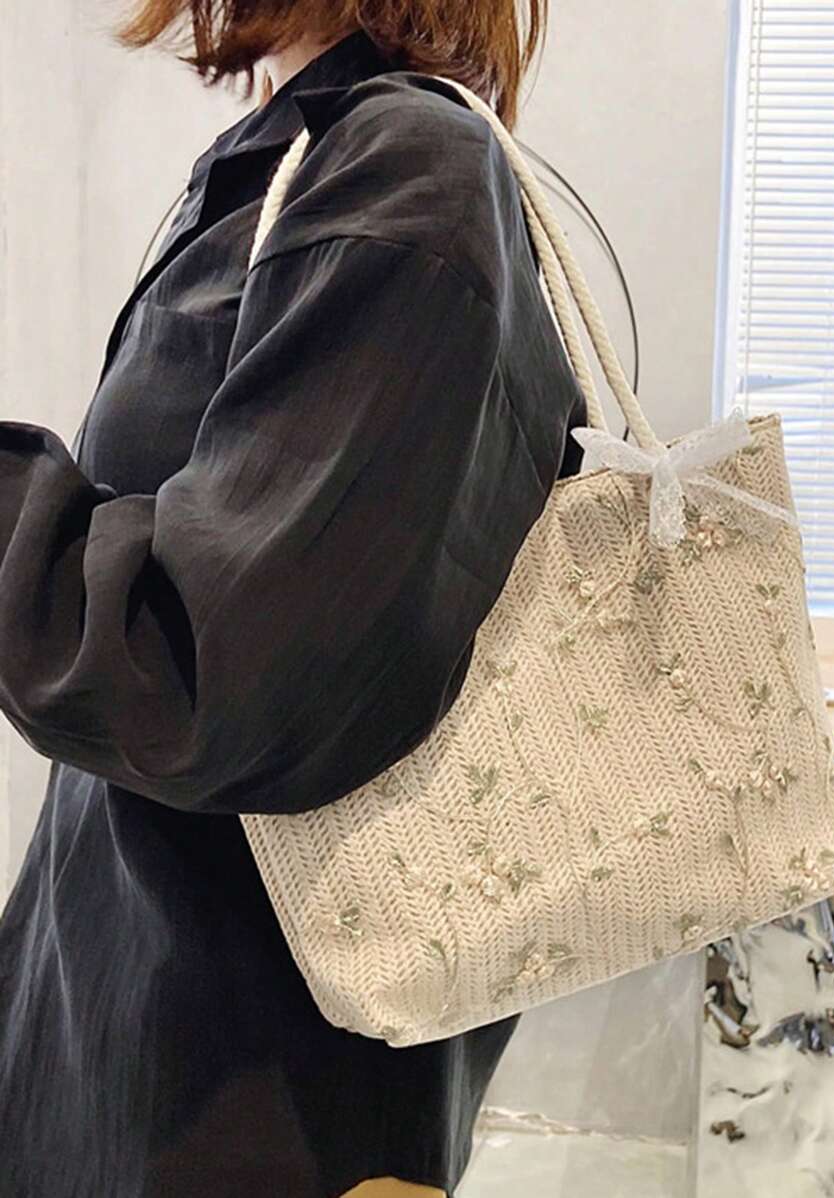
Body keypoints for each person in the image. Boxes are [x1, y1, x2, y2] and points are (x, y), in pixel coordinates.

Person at [0, 3, 588, 1196]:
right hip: (136, 1030)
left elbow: (202, 672)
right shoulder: (305, 159)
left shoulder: (405, 171)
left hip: (240, 1103)